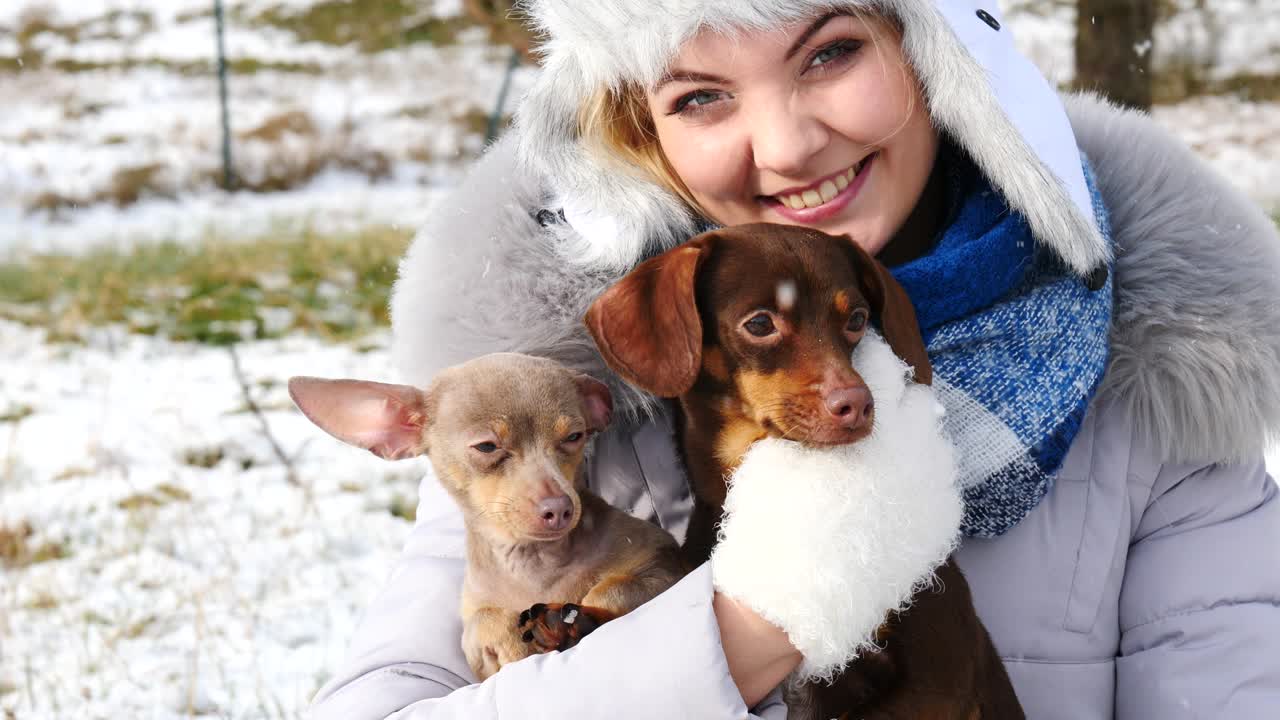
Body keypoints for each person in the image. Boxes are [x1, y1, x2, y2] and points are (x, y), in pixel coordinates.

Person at [310, 1, 1280, 717]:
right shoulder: (551, 415)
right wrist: (738, 637)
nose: (783, 146)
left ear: (930, 51)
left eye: (831, 52)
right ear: (639, 133)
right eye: (699, 95)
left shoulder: (1160, 379)